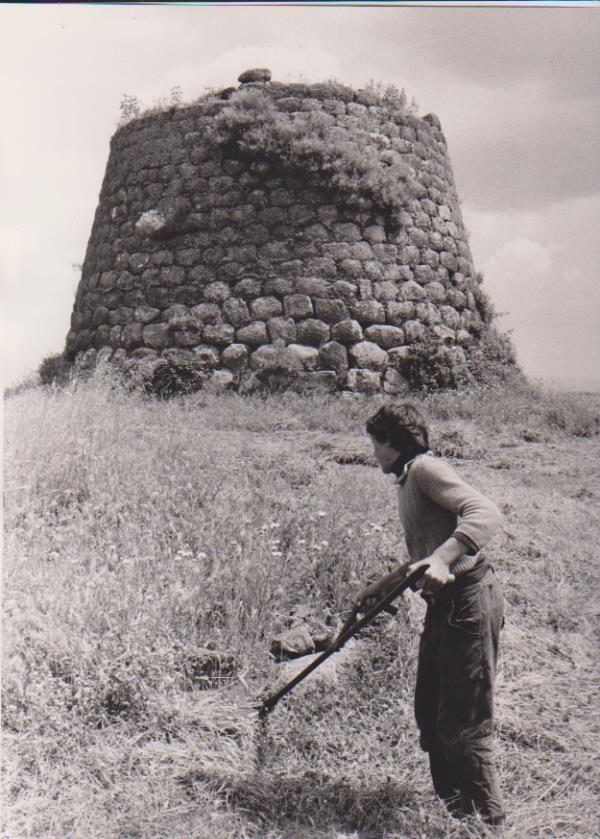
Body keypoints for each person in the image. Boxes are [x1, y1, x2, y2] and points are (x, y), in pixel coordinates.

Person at [358, 401, 505, 828]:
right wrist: (380, 587)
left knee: (463, 720)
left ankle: (487, 823)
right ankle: (456, 813)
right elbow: (425, 556)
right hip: (444, 606)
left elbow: (486, 512)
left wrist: (443, 559)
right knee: (430, 713)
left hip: (471, 601)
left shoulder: (424, 469)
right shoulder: (407, 480)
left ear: (389, 442)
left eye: (374, 444)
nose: (373, 455)